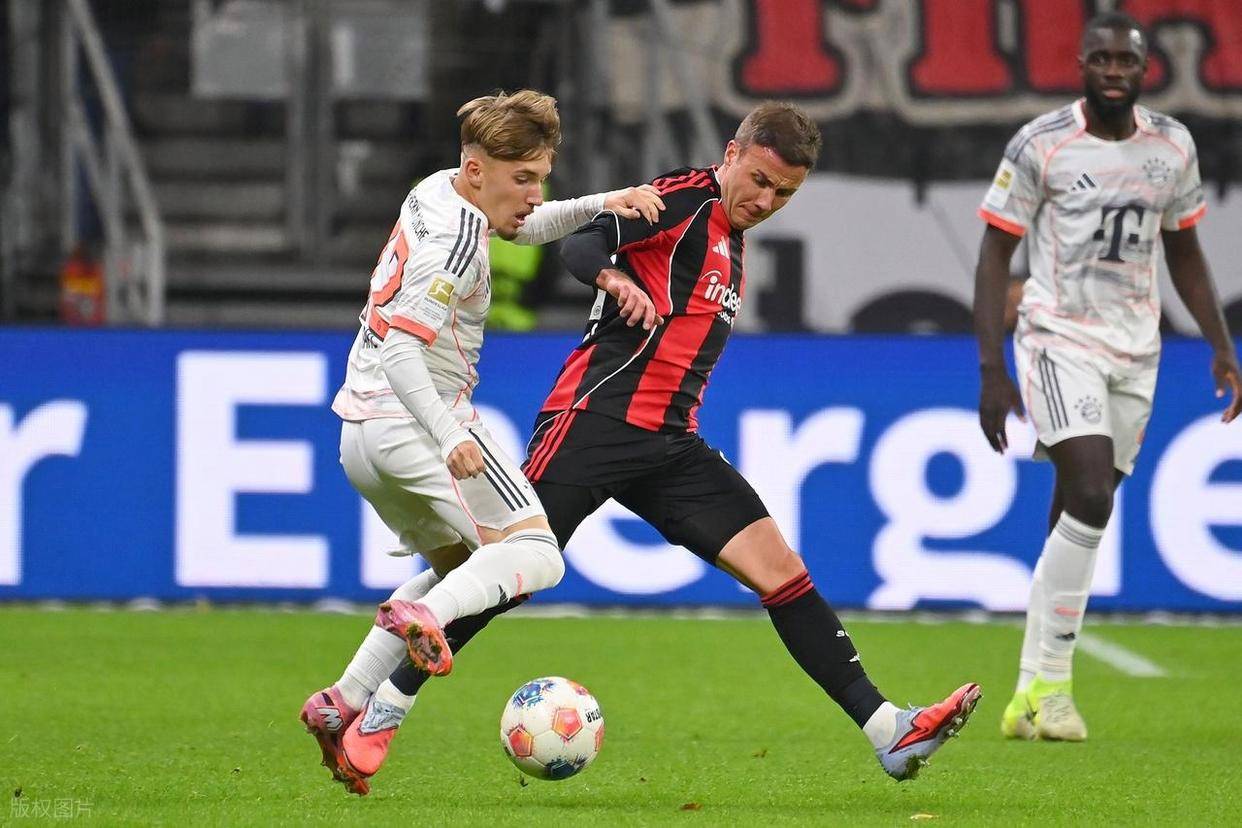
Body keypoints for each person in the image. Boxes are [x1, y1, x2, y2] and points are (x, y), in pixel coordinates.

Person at [362, 101, 981, 785]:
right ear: (732, 153)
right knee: (507, 574)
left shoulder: (731, 234)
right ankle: (381, 707)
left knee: (780, 570)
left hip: (669, 444)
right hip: (594, 422)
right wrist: (612, 276)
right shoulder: (685, 199)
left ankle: (888, 730)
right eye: (761, 180)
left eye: (784, 194)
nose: (766, 201)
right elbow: (581, 244)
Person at [300, 89, 664, 795]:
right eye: (522, 179)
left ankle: (345, 700)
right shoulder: (457, 244)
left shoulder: (436, 191)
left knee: (469, 568)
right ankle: (423, 621)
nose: (533, 195)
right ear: (477, 170)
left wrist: (604, 203)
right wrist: (447, 437)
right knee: (538, 555)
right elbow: (404, 350)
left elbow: (523, 228)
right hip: (417, 422)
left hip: (361, 437)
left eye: (540, 178)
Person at [973, 11, 1241, 743]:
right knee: (1091, 492)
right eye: (1101, 59)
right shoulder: (1041, 143)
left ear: (1145, 67)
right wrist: (992, 368)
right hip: (1059, 337)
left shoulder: (1172, 146)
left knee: (1081, 509)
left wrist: (1221, 344)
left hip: (1136, 349)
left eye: (1126, 60)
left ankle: (1028, 692)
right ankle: (1055, 687)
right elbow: (995, 252)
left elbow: (1184, 249)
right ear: (1082, 65)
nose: (1114, 71)